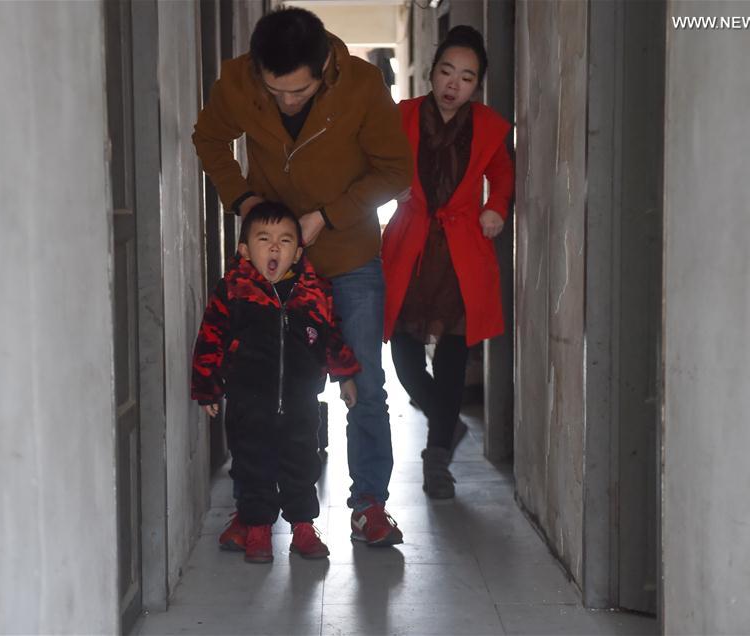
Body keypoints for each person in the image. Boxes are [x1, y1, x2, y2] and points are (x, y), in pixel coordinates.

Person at [192, 7, 412, 547]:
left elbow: (395, 170)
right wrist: (244, 201)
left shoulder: (361, 85)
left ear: (324, 69)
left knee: (364, 382)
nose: (287, 102)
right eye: (275, 92)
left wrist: (328, 215)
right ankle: (255, 509)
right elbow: (209, 138)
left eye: (300, 92)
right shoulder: (239, 80)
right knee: (262, 385)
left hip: (350, 256)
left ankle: (370, 505)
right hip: (275, 265)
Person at [381, 26, 514, 499]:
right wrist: (390, 183)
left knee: (454, 356)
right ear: (432, 72)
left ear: (477, 85)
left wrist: (495, 207)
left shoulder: (488, 126)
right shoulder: (402, 116)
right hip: (412, 245)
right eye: (446, 71)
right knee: (403, 353)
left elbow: (502, 174)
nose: (453, 84)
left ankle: (437, 458)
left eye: (466, 77)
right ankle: (447, 421)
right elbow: (375, 161)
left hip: (461, 250)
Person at [191, 202, 360, 563]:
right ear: (244, 250)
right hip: (249, 402)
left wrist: (345, 376)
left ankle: (303, 527)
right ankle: (257, 529)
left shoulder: (314, 292)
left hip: (301, 403)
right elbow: (210, 339)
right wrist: (207, 387)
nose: (274, 248)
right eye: (263, 239)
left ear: (297, 253)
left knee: (302, 463)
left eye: (284, 241)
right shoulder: (233, 292)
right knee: (253, 465)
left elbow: (332, 338)